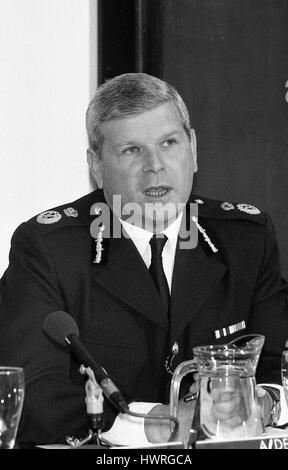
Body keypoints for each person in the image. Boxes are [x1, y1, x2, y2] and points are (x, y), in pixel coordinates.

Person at [0, 73, 288, 447]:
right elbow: (31, 393)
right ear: (97, 165)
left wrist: (265, 402)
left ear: (194, 148)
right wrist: (151, 423)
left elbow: (277, 365)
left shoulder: (246, 238)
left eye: (169, 142)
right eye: (131, 150)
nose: (155, 165)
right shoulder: (49, 249)